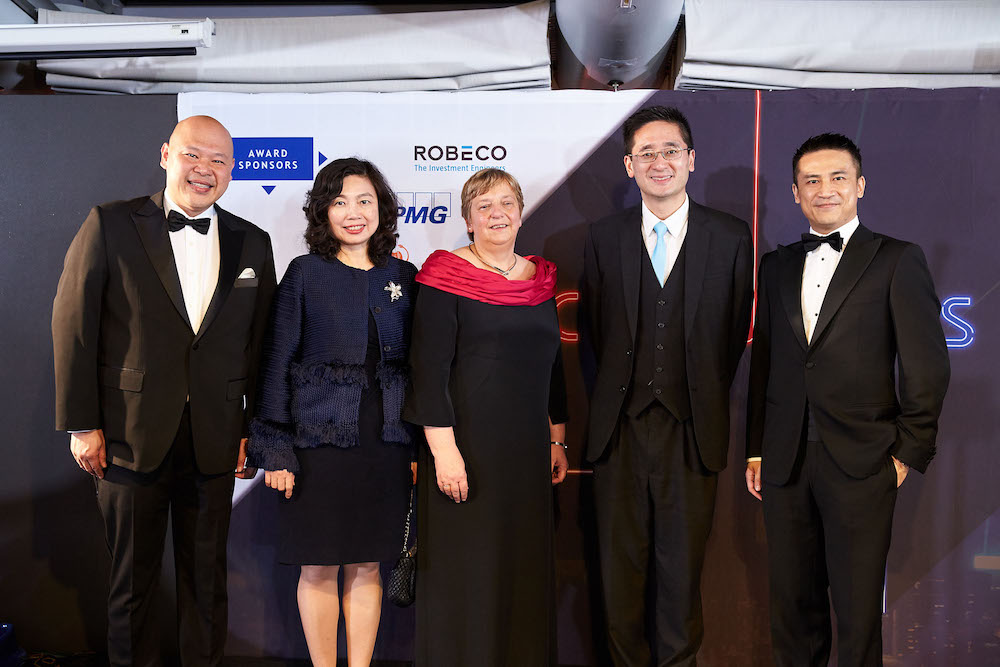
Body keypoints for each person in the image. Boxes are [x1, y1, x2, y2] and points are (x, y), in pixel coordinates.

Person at [52, 115, 277, 666]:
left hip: (216, 439)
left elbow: (261, 345)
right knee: (132, 584)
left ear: (232, 170)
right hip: (127, 437)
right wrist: (82, 423)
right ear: (165, 155)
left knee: (208, 584)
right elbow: (74, 325)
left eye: (218, 160)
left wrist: (254, 429)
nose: (204, 169)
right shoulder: (110, 223)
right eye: (192, 154)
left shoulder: (253, 241)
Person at [745, 133, 950, 666]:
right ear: (795, 193)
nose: (825, 189)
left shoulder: (897, 260)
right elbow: (765, 363)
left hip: (863, 461)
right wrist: (757, 449)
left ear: (860, 185)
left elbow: (927, 366)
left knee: (858, 617)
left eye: (837, 178)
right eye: (811, 180)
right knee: (792, 610)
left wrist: (906, 452)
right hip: (785, 461)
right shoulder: (775, 265)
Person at [582, 105, 753, 666]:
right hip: (619, 434)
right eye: (647, 153)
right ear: (629, 165)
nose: (660, 162)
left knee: (682, 578)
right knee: (619, 580)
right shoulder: (603, 237)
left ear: (691, 160)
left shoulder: (730, 237)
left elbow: (732, 336)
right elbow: (594, 335)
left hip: (692, 432)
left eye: (671, 151)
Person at [246, 158, 417, 667]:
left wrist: (417, 448)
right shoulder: (305, 274)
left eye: (364, 200)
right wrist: (275, 449)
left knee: (368, 564)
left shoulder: (404, 276)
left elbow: (421, 367)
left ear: (381, 209)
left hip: (386, 444)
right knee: (318, 565)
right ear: (323, 212)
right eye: (340, 202)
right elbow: (276, 361)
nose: (353, 212)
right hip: (316, 446)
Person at [404, 168, 569, 667]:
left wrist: (557, 439)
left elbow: (553, 367)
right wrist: (444, 452)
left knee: (522, 570)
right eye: (483, 206)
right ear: (468, 219)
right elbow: (428, 369)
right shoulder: (443, 276)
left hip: (526, 456)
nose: (497, 214)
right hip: (465, 452)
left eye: (506, 203)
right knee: (467, 573)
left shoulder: (541, 281)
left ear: (520, 213)